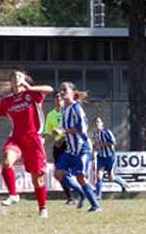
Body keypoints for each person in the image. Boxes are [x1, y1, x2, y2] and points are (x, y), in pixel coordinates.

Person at [0, 70, 53, 218]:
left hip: (34, 140)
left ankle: (42, 208)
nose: (16, 77)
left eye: (19, 75)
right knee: (6, 161)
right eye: (13, 76)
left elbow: (49, 89)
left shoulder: (32, 94)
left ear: (24, 79)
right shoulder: (7, 101)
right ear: (11, 83)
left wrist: (29, 88)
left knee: (36, 179)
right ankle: (13, 194)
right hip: (16, 139)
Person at [54, 82, 101, 213]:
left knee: (81, 176)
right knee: (58, 174)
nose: (62, 92)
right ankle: (81, 193)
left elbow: (82, 128)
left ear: (73, 93)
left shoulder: (76, 108)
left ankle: (96, 206)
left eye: (64, 89)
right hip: (71, 150)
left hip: (82, 149)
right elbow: (67, 129)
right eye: (60, 90)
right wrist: (62, 139)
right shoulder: (64, 109)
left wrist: (63, 132)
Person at [44, 91, 75, 205]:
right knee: (58, 173)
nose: (58, 100)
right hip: (57, 145)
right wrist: (43, 140)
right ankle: (70, 197)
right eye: (56, 98)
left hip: (69, 144)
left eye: (61, 98)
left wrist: (64, 137)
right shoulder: (50, 115)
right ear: (54, 100)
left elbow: (75, 128)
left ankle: (81, 192)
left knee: (68, 171)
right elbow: (48, 132)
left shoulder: (68, 112)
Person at [92, 117, 129, 200]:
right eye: (95, 123)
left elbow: (113, 142)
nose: (97, 124)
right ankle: (98, 196)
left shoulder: (107, 132)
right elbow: (95, 145)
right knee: (98, 176)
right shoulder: (94, 134)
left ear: (102, 123)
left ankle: (123, 183)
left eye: (98, 122)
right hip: (101, 157)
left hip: (110, 157)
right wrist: (93, 153)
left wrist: (101, 144)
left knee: (111, 178)